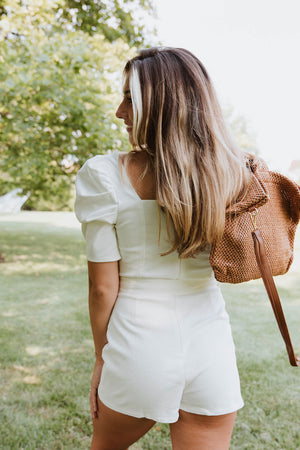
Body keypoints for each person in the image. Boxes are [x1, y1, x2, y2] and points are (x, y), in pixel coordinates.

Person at [75, 47, 251, 450]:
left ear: (162, 106)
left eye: (130, 99)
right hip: (211, 348)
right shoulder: (233, 174)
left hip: (138, 346)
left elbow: (103, 289)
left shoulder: (104, 175)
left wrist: (103, 358)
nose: (120, 112)